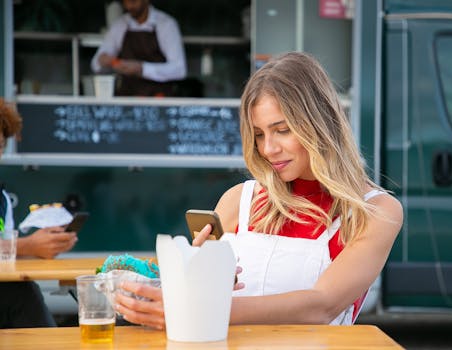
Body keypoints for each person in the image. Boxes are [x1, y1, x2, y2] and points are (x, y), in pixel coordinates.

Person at [114, 52, 403, 329]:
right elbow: (192, 288)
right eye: (259, 134)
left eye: (283, 130)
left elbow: (321, 305)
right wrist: (190, 277)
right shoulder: (238, 199)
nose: (268, 149)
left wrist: (200, 308)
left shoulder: (375, 211)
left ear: (319, 123)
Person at [0, 99, 78, 328]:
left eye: (0, 146)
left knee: (21, 290)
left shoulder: (2, 199)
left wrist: (45, 245)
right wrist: (28, 246)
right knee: (21, 292)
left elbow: (5, 256)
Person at [91, 0, 187, 97]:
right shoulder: (120, 25)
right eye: (125, 3)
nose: (129, 7)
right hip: (127, 98)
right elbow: (95, 64)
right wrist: (104, 60)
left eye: (133, 2)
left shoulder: (166, 24)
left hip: (157, 98)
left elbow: (179, 70)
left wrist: (142, 69)